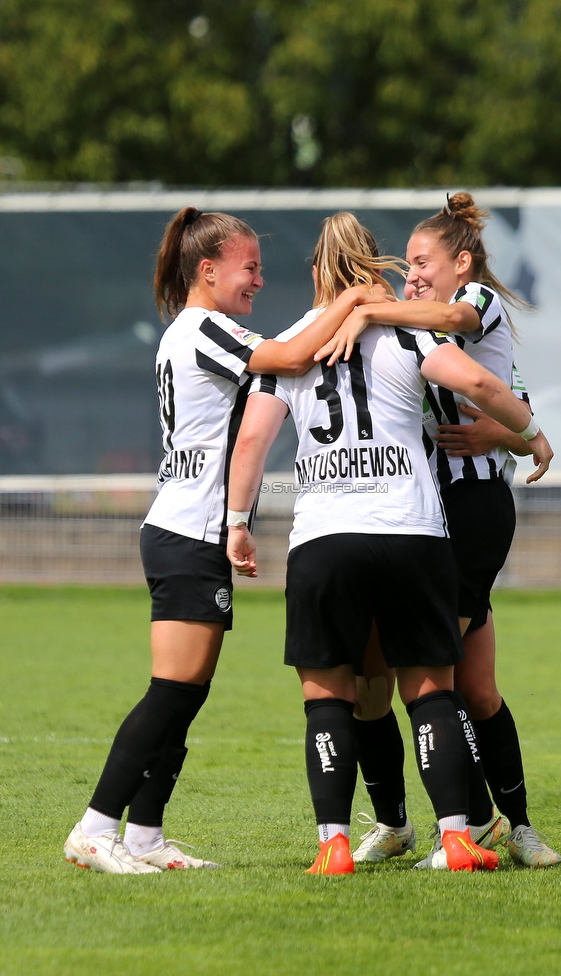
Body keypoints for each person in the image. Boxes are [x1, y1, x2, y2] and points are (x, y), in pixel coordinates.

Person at [63, 207, 391, 874]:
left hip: (187, 530)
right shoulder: (205, 328)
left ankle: (147, 835)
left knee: (187, 691)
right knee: (171, 690)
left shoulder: (191, 331)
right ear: (207, 271)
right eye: (250, 268)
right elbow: (293, 355)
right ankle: (95, 827)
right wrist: (356, 294)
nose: (259, 281)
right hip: (187, 530)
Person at [226, 211, 552, 874]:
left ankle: (355, 841)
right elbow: (482, 384)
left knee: (368, 691)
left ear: (317, 272)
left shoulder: (297, 343)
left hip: (359, 531)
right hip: (414, 530)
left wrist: (235, 520)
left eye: (425, 260)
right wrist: (531, 431)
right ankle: (442, 831)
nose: (417, 275)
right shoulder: (404, 330)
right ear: (375, 269)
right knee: (420, 685)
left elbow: (253, 440)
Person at [316, 193, 561, 869]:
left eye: (422, 262)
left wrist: (369, 305)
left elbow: (508, 406)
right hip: (428, 522)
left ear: (461, 262)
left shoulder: (474, 301)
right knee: (467, 685)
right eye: (408, 265)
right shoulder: (418, 335)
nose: (413, 273)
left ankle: (475, 824)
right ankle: (501, 827)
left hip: (473, 513)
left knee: (426, 675)